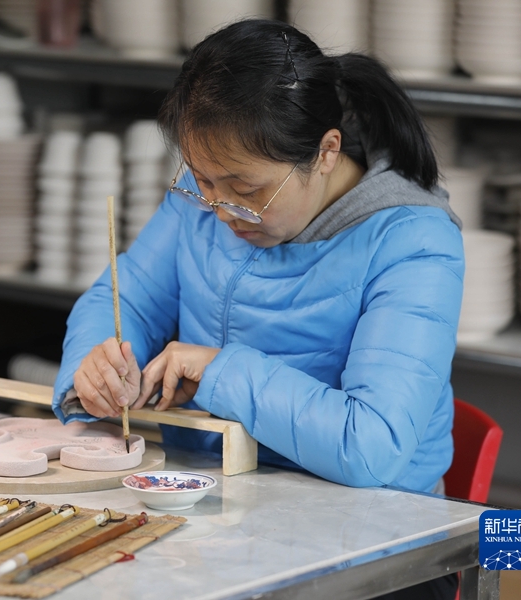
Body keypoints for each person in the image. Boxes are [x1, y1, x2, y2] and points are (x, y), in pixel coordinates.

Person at [52, 19, 463, 600]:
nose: (220, 208)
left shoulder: (414, 242)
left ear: (325, 152)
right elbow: (123, 298)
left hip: (375, 544)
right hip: (217, 512)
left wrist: (220, 371)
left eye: (247, 191)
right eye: (201, 180)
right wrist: (96, 365)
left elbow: (372, 446)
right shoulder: (206, 200)